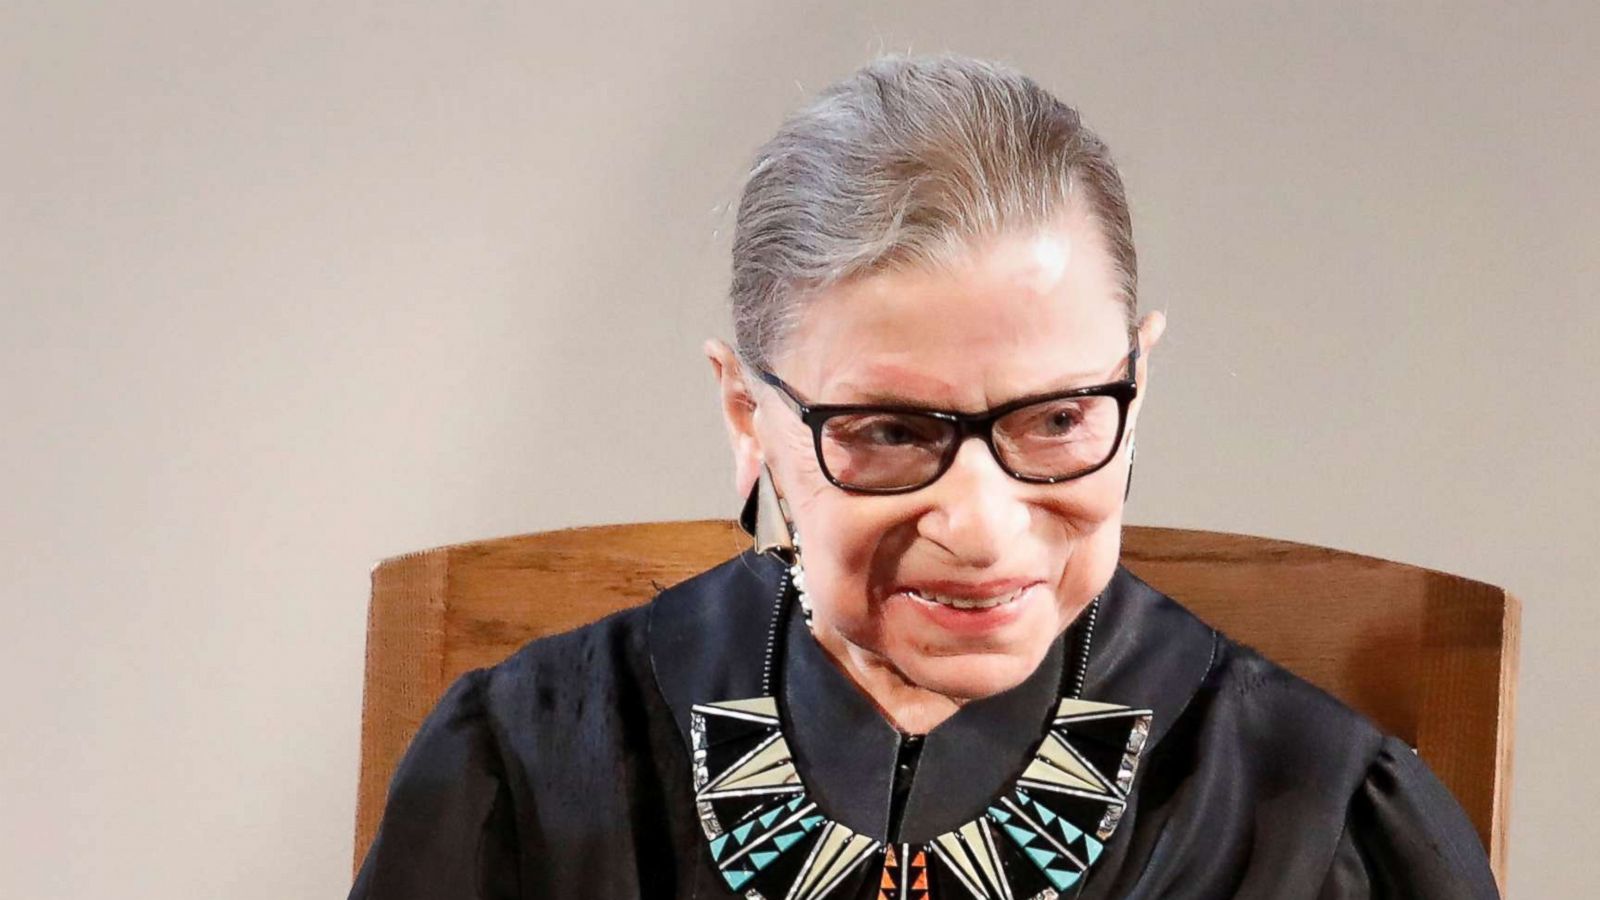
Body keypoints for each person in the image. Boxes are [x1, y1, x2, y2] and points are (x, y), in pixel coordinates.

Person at [349, 54, 1499, 899]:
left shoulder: (1316, 815)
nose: (985, 530)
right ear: (749, 419)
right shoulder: (531, 761)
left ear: (1136, 382)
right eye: (891, 433)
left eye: (1056, 416)